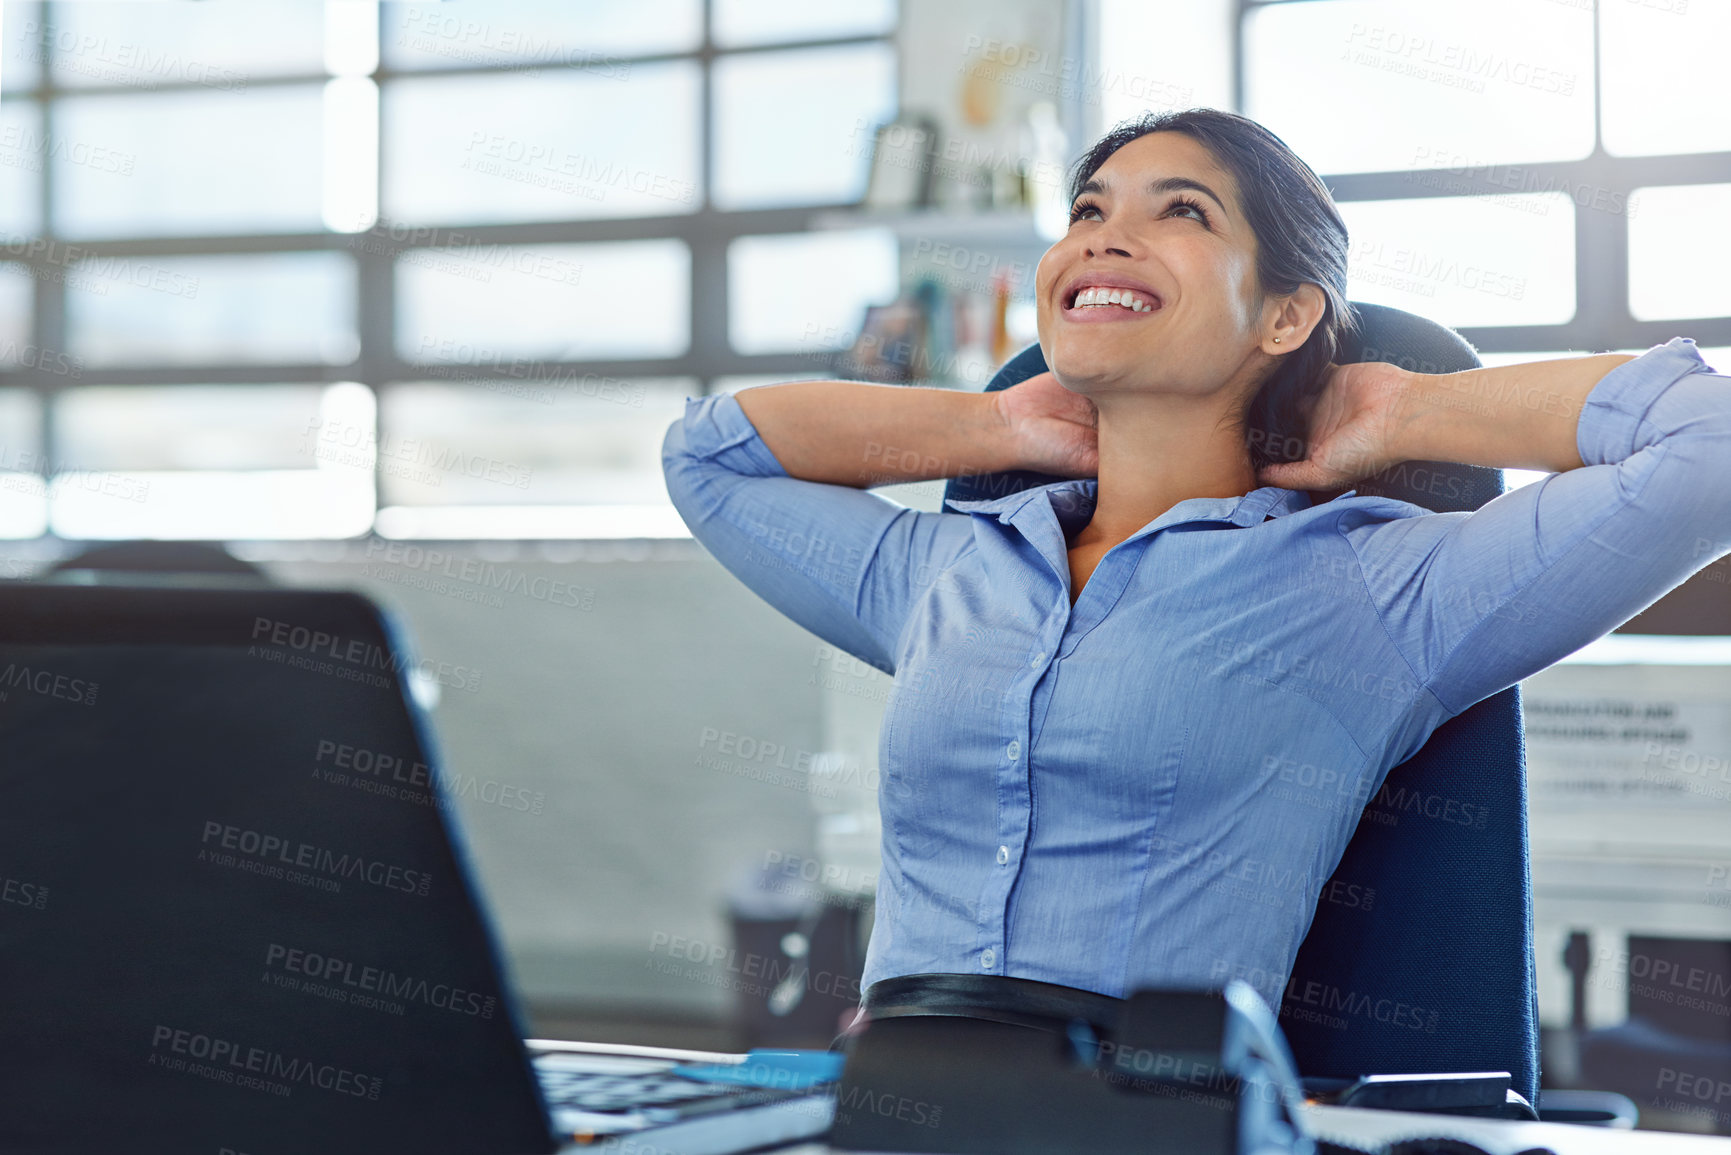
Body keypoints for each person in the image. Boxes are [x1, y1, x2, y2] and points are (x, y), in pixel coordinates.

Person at [661, 108, 1731, 1025]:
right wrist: (996, 427)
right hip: (896, 1103)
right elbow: (708, 456)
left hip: (1149, 1116)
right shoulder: (950, 571)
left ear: (1286, 314)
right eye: (1088, 211)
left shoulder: (1373, 591)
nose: (1106, 238)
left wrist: (1408, 408)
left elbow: (1707, 446)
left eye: (1182, 211)